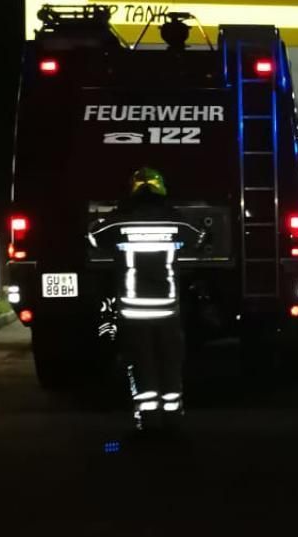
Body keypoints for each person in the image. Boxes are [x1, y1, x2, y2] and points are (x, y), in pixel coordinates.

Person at [88, 167, 204, 432]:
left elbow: (94, 237)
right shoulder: (176, 222)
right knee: (170, 361)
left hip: (134, 311)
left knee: (142, 362)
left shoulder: (119, 222)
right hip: (167, 310)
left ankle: (148, 418)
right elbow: (199, 237)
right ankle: (173, 416)